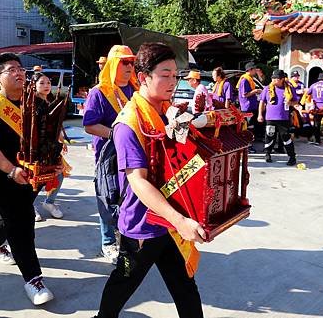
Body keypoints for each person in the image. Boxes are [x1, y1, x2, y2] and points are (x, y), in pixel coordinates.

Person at [93, 42, 204, 318]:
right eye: (165, 74)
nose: (173, 81)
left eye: (175, 75)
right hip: (142, 224)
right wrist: (180, 221)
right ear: (144, 77)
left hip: (169, 219)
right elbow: (138, 182)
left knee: (185, 287)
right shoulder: (128, 123)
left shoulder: (164, 109)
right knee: (124, 281)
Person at [0, 53, 54, 305]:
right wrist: (10, 169)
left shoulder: (36, 103)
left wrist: (54, 160)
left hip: (33, 176)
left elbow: (48, 137)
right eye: (11, 70)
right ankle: (33, 279)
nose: (19, 72)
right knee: (21, 221)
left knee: (13, 214)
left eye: (20, 68)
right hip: (2, 177)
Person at [83, 45, 139, 264]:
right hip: (109, 156)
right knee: (108, 197)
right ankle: (108, 242)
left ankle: (127, 237)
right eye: (124, 62)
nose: (129, 66)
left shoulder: (136, 89)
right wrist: (117, 135)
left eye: (132, 62)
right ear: (113, 64)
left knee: (131, 196)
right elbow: (89, 125)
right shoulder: (99, 92)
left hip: (134, 154)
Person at [31, 73, 66, 221]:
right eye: (42, 83)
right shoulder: (31, 104)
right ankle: (30, 205)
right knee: (33, 178)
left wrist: (61, 139)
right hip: (35, 148)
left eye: (48, 83)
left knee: (59, 173)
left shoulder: (51, 100)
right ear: (34, 86)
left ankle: (49, 202)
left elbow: (55, 124)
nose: (46, 85)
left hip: (51, 147)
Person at [258, 69, 298, 166]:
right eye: (273, 78)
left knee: (286, 137)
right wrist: (260, 114)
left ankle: (292, 157)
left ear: (282, 79)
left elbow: (296, 101)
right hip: (270, 118)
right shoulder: (267, 88)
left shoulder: (289, 88)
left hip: (283, 118)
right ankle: (267, 154)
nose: (274, 80)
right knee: (269, 136)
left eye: (276, 79)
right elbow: (262, 102)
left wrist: (290, 103)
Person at [237, 62, 262, 152]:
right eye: (254, 69)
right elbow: (245, 94)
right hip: (247, 107)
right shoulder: (244, 80)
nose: (255, 71)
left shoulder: (250, 79)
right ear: (250, 70)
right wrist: (255, 91)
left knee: (251, 126)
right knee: (248, 127)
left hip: (251, 106)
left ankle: (249, 145)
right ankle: (247, 146)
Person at [305, 73, 323, 146]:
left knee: (317, 124)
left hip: (316, 107)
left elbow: (307, 93)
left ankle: (317, 140)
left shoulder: (313, 85)